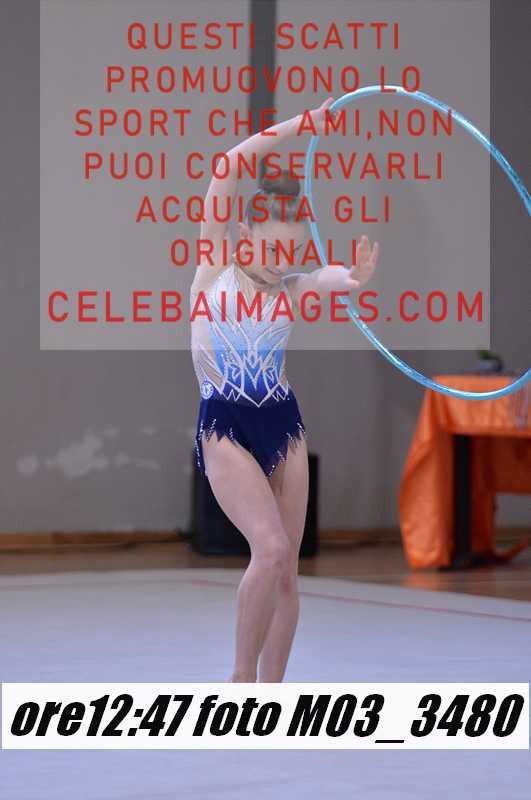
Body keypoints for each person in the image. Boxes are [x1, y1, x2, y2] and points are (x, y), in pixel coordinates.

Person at [190, 98, 379, 682]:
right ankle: (241, 680)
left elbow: (323, 278)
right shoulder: (214, 267)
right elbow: (227, 165)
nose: (280, 262)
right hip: (226, 426)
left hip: (283, 425)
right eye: (271, 249)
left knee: (287, 571)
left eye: (290, 252)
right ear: (244, 234)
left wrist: (351, 278)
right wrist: (301, 126)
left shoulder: (289, 288)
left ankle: (272, 692)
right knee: (269, 548)